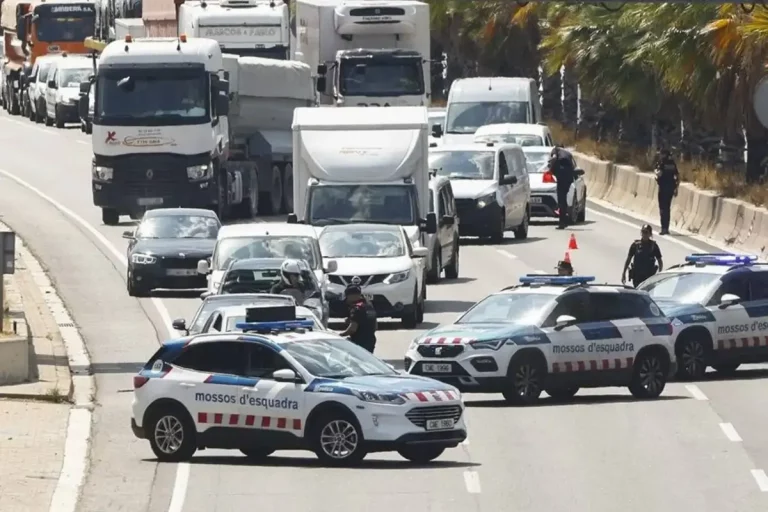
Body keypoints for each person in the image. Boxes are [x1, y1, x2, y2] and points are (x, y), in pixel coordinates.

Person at [338, 284, 377, 353]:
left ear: (351, 296)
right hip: (370, 340)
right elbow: (375, 325)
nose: (347, 300)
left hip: (359, 342)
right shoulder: (369, 305)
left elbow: (352, 329)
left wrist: (340, 335)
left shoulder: (356, 308)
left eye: (347, 297)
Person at [548, 146, 577, 229]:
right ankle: (564, 219)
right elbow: (572, 168)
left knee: (561, 200)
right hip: (568, 179)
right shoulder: (568, 154)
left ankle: (562, 222)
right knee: (563, 199)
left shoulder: (555, 151)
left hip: (562, 177)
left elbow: (553, 159)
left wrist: (551, 170)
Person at [654, 148, 680, 235]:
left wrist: (656, 174)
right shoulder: (672, 164)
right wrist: (676, 188)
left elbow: (659, 174)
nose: (660, 155)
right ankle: (667, 228)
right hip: (671, 188)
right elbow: (677, 176)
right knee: (667, 208)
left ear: (664, 154)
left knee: (662, 208)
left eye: (661, 154)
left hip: (663, 188)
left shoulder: (662, 163)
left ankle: (663, 228)